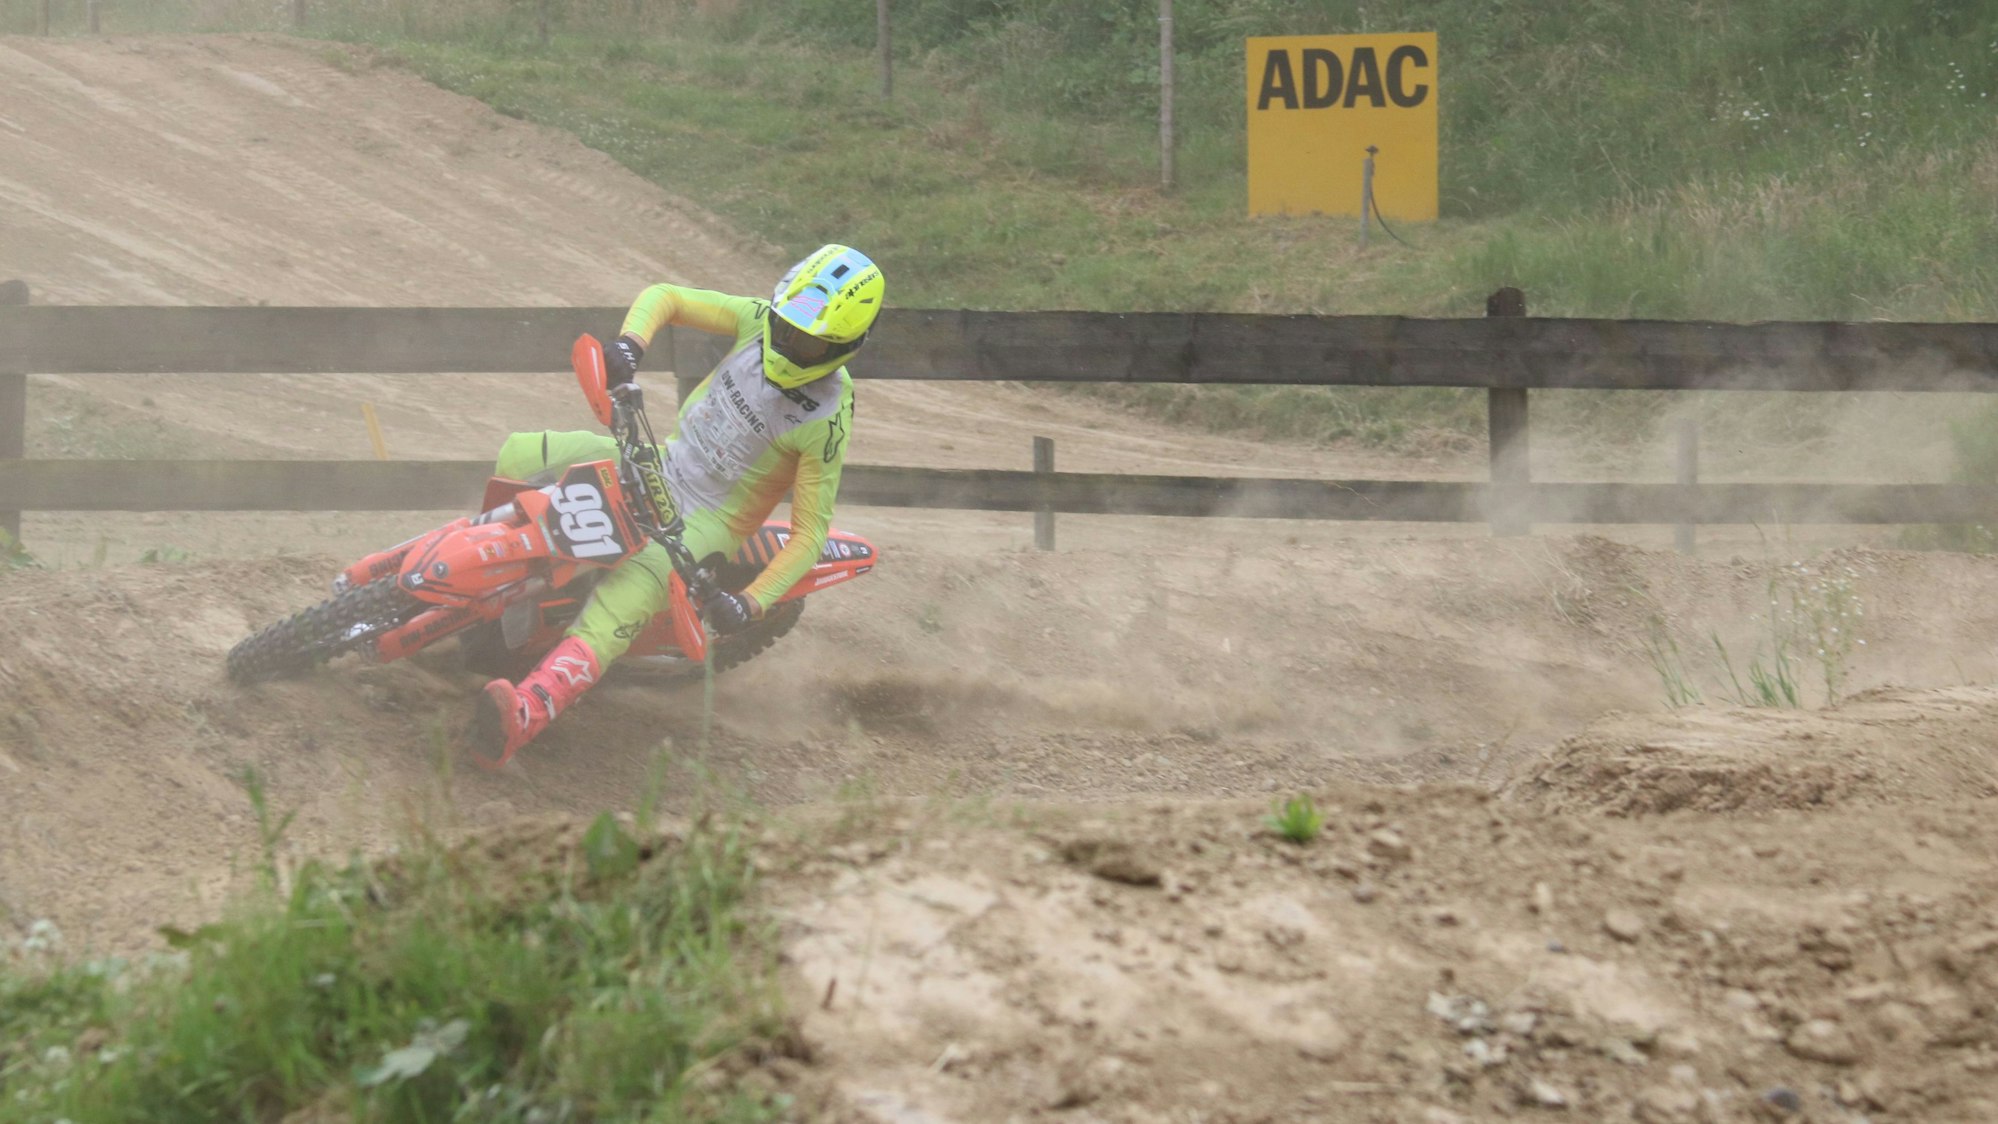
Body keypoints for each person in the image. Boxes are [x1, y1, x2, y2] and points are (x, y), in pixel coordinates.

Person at [474, 244, 884, 762]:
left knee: (623, 598)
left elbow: (809, 535)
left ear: (843, 347)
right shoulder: (757, 319)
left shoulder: (826, 418)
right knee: (522, 453)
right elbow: (665, 297)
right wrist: (630, 345)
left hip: (704, 522)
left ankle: (526, 713)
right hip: (657, 462)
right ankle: (474, 562)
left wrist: (749, 602)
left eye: (807, 343)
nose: (788, 342)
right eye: (786, 328)